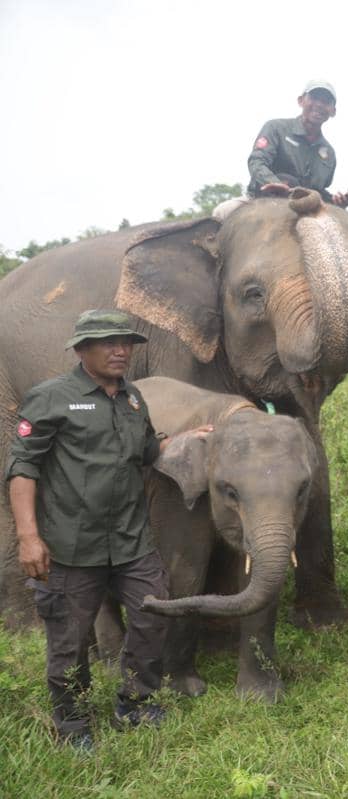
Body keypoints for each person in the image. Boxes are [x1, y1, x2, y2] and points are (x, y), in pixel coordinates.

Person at [5, 310, 210, 752]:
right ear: (81, 350)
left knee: (153, 615)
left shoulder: (133, 399)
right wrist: (28, 537)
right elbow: (22, 466)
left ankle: (135, 704)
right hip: (70, 546)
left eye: (126, 342)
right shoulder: (51, 398)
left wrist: (189, 437)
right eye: (107, 342)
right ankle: (73, 724)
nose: (120, 350)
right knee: (70, 640)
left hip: (131, 541)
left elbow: (148, 451)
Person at [213, 81, 348, 220]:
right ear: (300, 101)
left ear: (333, 111)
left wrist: (336, 200)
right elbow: (257, 161)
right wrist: (274, 183)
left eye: (326, 101)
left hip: (305, 209)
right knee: (221, 212)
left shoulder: (329, 153)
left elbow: (319, 190)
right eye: (314, 98)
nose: (319, 104)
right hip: (260, 198)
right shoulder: (276, 127)